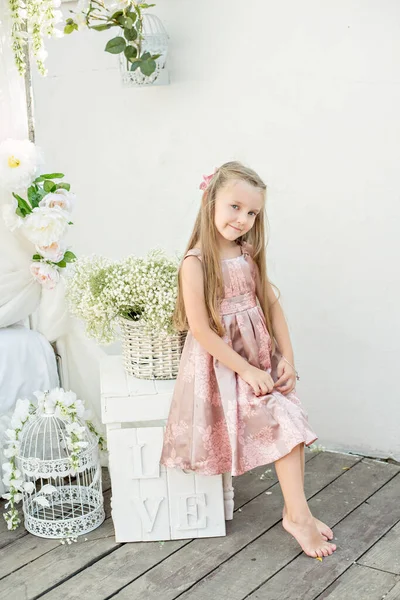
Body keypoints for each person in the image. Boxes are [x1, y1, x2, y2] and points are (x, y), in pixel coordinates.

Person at [160, 161, 336, 558]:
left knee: (291, 426)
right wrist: (247, 369)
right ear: (211, 202)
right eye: (235, 207)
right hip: (224, 368)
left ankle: (297, 513)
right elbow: (202, 331)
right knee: (286, 430)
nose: (243, 219)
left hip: (258, 360)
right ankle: (299, 517)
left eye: (252, 212)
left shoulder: (247, 253)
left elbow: (270, 304)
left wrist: (286, 357)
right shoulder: (195, 263)